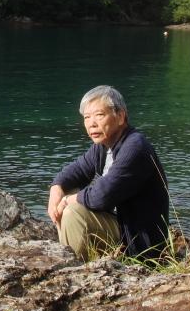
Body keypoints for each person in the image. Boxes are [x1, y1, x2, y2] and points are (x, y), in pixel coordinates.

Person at [47, 85, 169, 260]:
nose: (91, 123)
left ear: (120, 117)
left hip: (138, 244)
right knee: (67, 191)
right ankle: (80, 257)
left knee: (72, 211)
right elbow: (75, 171)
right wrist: (56, 190)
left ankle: (74, 267)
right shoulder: (103, 146)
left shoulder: (135, 147)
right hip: (117, 226)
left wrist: (67, 200)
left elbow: (102, 195)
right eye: (87, 117)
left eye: (99, 115)